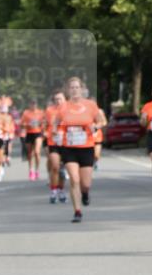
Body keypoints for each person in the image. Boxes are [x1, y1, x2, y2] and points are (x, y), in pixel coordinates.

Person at [53, 77, 105, 223]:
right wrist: (57, 132)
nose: (75, 90)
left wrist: (96, 126)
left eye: (77, 87)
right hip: (69, 148)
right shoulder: (63, 107)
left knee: (85, 184)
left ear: (82, 89)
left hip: (86, 147)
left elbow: (102, 121)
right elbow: (56, 123)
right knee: (74, 180)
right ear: (68, 90)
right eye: (72, 87)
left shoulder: (90, 105)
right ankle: (77, 211)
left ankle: (85, 194)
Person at [44, 91, 67, 204]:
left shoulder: (69, 109)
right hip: (53, 142)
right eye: (56, 99)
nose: (58, 101)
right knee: (55, 167)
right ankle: (53, 191)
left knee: (62, 170)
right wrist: (46, 133)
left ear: (65, 99)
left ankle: (61, 190)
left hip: (66, 142)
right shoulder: (49, 110)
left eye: (60, 99)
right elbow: (45, 124)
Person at [20, 99, 45, 181]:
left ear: (37, 105)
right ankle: (31, 170)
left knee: (37, 152)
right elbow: (21, 125)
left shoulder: (40, 113)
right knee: (30, 154)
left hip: (38, 134)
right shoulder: (26, 113)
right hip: (29, 133)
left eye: (35, 104)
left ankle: (37, 170)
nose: (33, 105)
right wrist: (27, 124)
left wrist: (42, 126)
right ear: (29, 105)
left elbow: (44, 123)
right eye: (32, 104)